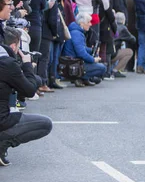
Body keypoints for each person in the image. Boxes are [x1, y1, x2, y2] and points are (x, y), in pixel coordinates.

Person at [0, 26, 53, 166]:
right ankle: (1, 145)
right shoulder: (7, 64)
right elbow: (29, 91)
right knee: (45, 124)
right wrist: (27, 64)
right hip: (2, 120)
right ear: (13, 46)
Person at [63, 13, 107, 86]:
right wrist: (93, 60)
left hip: (73, 62)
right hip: (74, 63)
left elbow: (81, 48)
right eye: (88, 22)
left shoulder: (76, 31)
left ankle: (84, 78)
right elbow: (81, 53)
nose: (90, 24)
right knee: (102, 68)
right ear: (82, 23)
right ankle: (80, 77)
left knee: (99, 66)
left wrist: (92, 50)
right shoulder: (77, 33)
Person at [112, 12, 135, 77]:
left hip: (107, 52)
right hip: (113, 53)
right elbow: (133, 39)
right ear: (123, 20)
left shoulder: (112, 25)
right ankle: (116, 70)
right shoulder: (123, 28)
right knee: (129, 52)